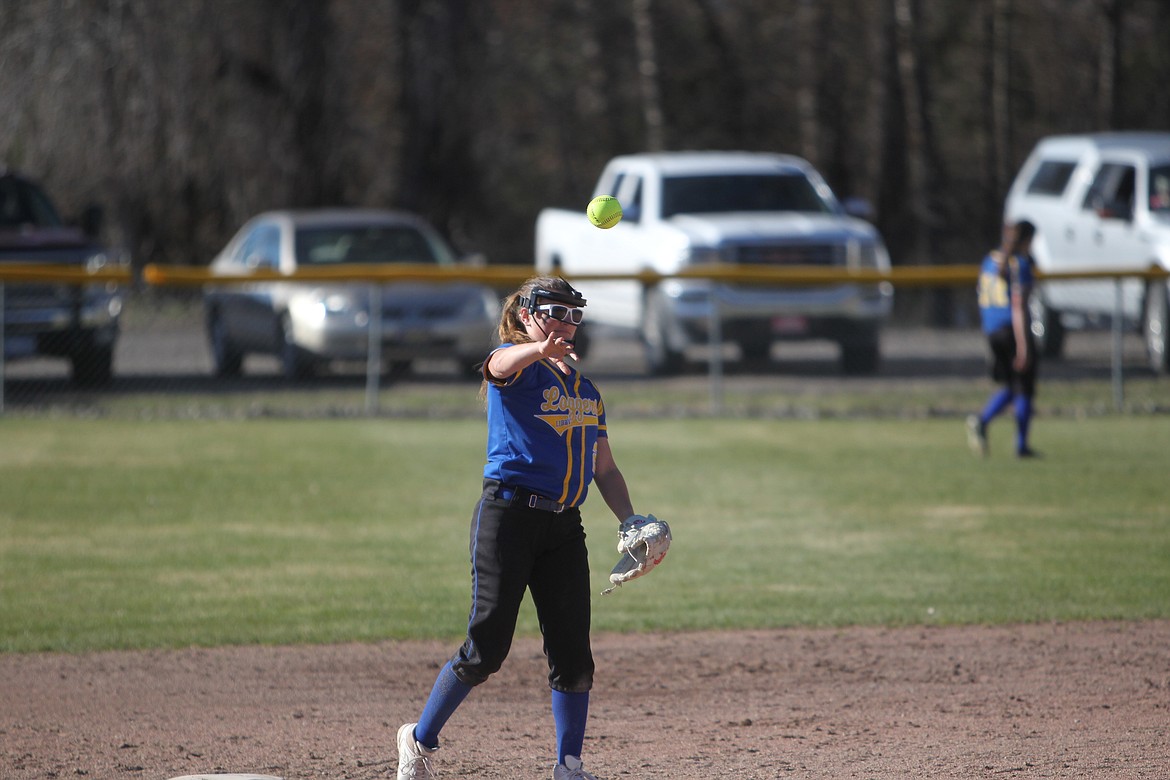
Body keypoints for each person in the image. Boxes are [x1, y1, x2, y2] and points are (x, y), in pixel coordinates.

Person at [396, 276, 640, 780]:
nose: (566, 323)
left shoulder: (586, 390)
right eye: (555, 311)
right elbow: (496, 365)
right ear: (527, 314)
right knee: (487, 649)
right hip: (508, 519)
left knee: (574, 652)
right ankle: (418, 740)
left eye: (575, 314)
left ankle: (568, 766)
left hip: (564, 528)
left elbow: (605, 469)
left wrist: (631, 519)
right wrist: (533, 349)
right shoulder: (517, 366)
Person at [968, 220, 1040, 458]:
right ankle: (1020, 445)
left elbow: (980, 297)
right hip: (1011, 330)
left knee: (1011, 386)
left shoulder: (989, 260)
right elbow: (1019, 307)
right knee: (1024, 388)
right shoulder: (1019, 264)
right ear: (1026, 241)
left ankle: (982, 420)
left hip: (991, 330)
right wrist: (1023, 346)